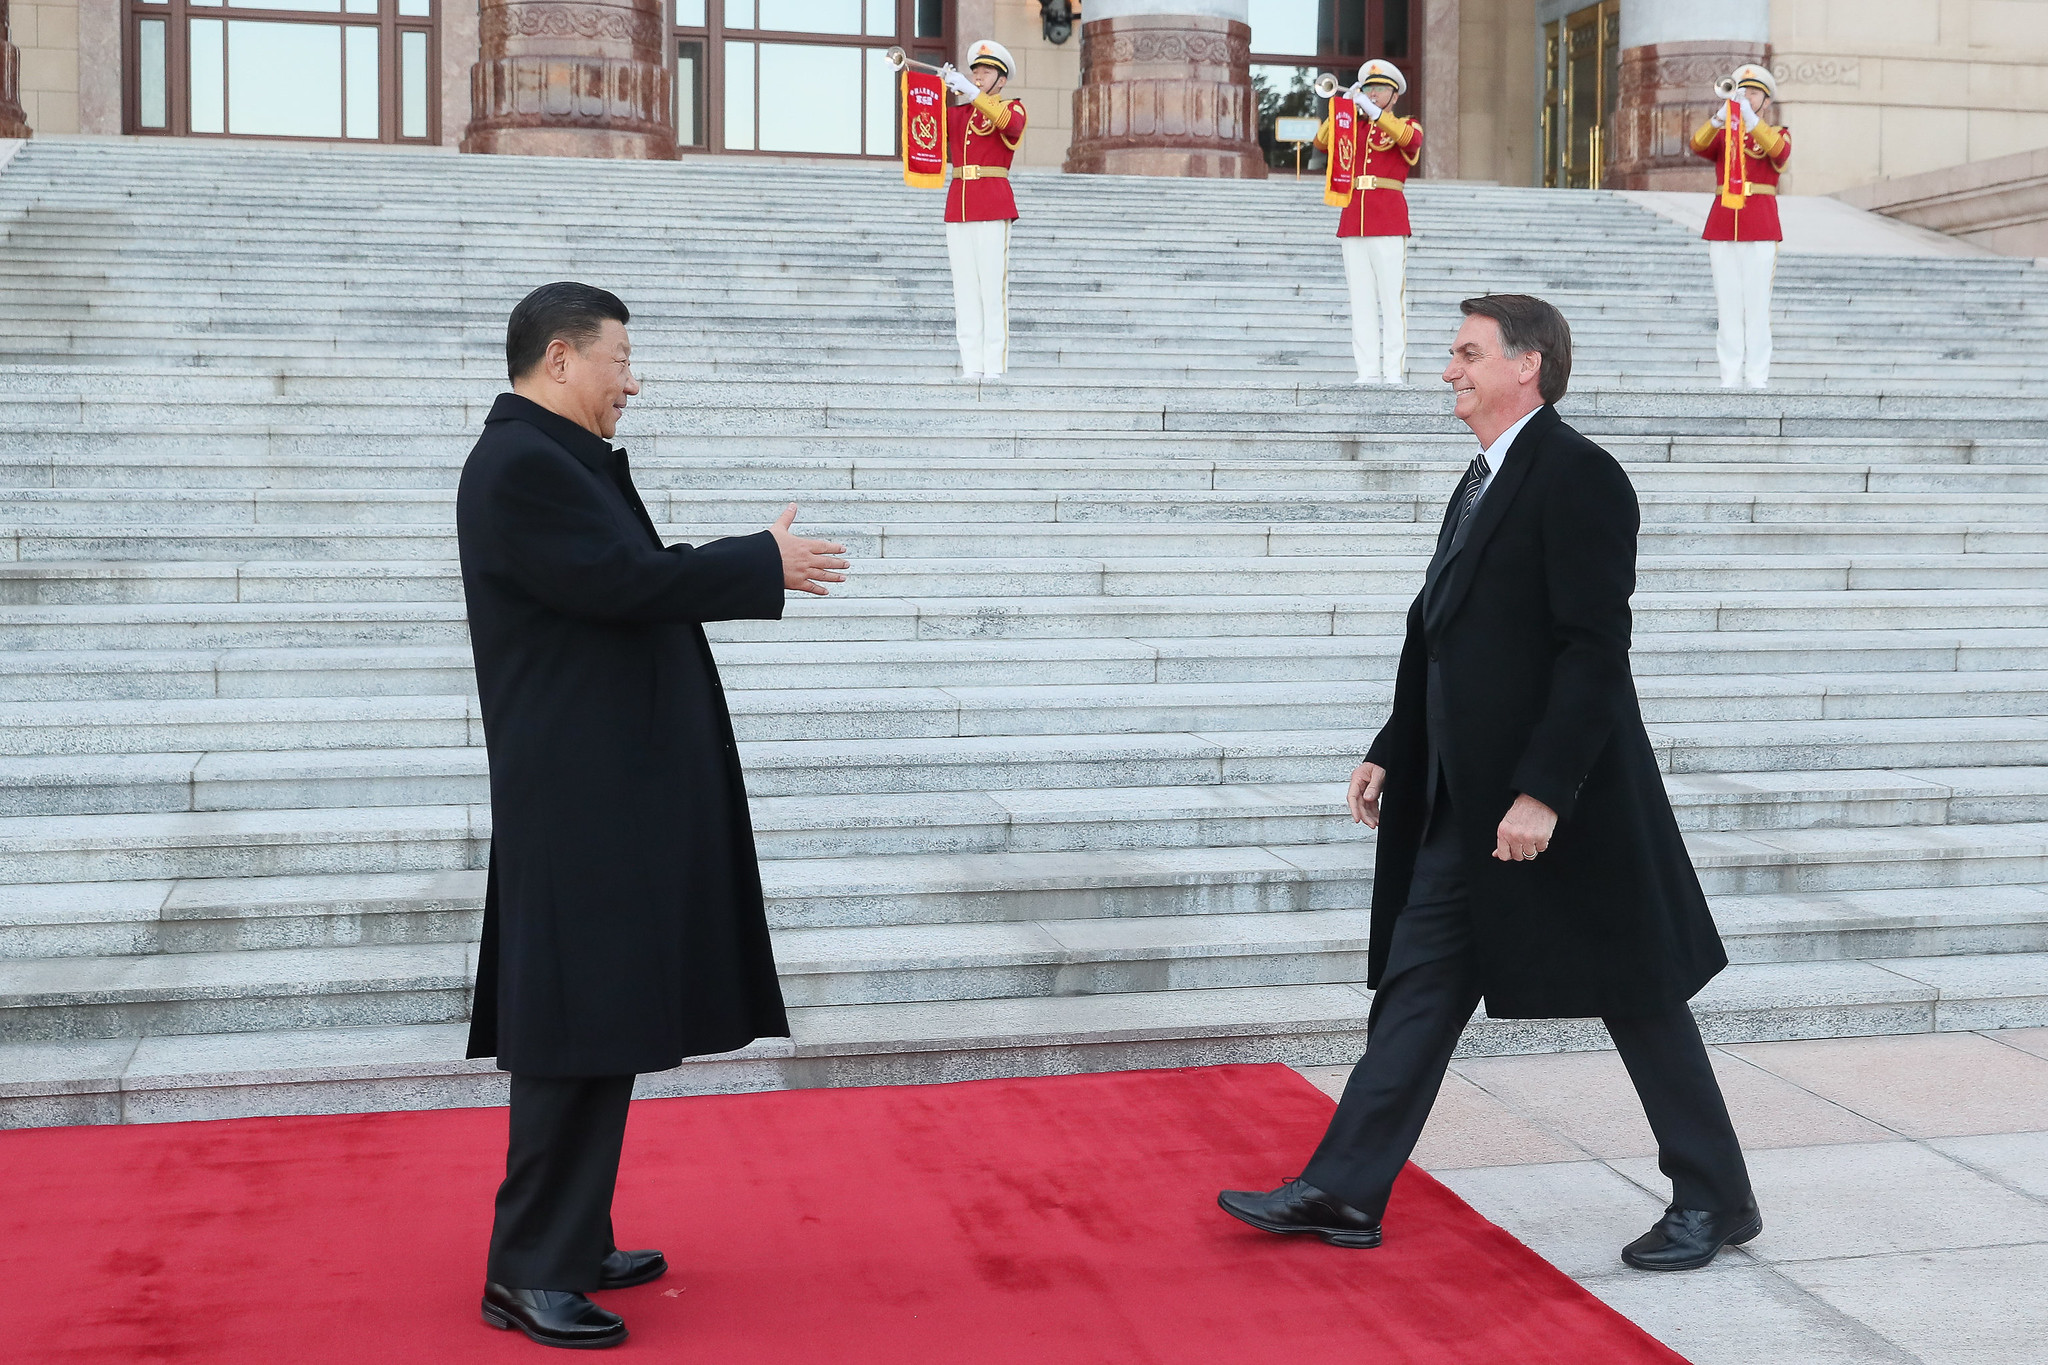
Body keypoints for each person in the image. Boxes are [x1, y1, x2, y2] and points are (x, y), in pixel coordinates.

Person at [1217, 294, 1761, 1273]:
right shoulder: (1480, 478)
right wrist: (1394, 741)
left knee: (1637, 991)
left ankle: (1713, 1197)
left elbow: (1592, 652)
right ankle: (1343, 1188)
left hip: (1567, 802)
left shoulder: (1580, 476)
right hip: (1464, 800)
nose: (1447, 370)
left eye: (1465, 353)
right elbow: (1441, 632)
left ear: (1527, 366)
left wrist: (1543, 792)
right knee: (1419, 985)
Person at [458, 281, 848, 1349]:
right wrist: (755, 564)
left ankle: (573, 1240)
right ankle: (526, 1270)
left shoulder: (552, 459)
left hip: (604, 791)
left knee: (604, 1019)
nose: (632, 381)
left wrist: (738, 567)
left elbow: (621, 583)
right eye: (618, 360)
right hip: (575, 799)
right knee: (569, 1032)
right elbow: (621, 583)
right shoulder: (522, 466)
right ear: (558, 360)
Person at [1312, 60, 1422, 385]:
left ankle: (1393, 373)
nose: (1373, 94)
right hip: (1353, 221)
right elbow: (1321, 142)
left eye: (1381, 90)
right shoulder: (1353, 126)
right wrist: (1344, 106)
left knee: (1391, 301)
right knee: (1360, 302)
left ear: (1395, 96)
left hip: (1388, 220)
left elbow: (1410, 143)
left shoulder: (1407, 123)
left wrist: (1375, 113)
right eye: (1370, 89)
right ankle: (1367, 373)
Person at [1688, 64, 1790, 388]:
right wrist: (1719, 118)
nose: (1746, 96)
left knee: (1757, 310)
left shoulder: (1776, 132)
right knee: (1728, 308)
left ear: (1766, 101)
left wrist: (1751, 119)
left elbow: (1780, 152)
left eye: (1754, 93)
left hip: (1759, 229)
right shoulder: (1725, 135)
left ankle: (1757, 379)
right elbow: (1697, 145)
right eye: (1743, 91)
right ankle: (1729, 379)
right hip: (1723, 228)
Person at [937, 39, 1026, 380]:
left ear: (1000, 81)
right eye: (974, 71)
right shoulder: (959, 113)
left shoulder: (1014, 108)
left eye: (986, 71)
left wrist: (973, 95)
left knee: (991, 289)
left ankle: (994, 368)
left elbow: (1011, 126)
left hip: (992, 204)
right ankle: (971, 365)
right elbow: (926, 129)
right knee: (965, 291)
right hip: (959, 206)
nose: (977, 76)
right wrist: (931, 86)